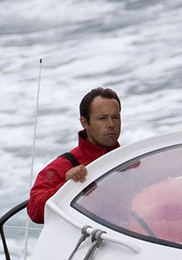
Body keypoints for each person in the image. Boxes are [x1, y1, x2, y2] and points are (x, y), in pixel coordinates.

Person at [27, 87, 123, 223]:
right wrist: (68, 185)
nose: (111, 124)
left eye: (115, 117)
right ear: (84, 122)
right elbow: (35, 211)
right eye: (102, 118)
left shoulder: (133, 163)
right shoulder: (64, 165)